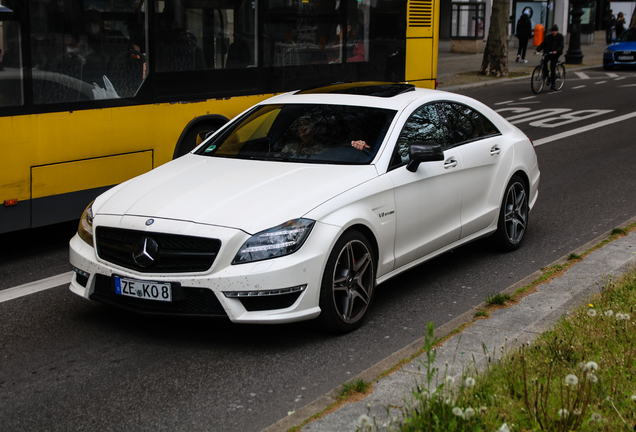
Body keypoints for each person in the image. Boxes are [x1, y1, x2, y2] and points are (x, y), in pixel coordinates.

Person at [536, 24, 564, 91]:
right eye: (552, 31)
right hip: (548, 53)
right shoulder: (548, 37)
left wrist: (556, 51)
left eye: (555, 31)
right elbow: (543, 44)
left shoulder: (560, 37)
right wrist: (537, 49)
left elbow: (561, 46)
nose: (554, 32)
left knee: (552, 66)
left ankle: (553, 83)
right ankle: (546, 73)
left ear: (557, 31)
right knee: (544, 62)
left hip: (555, 54)